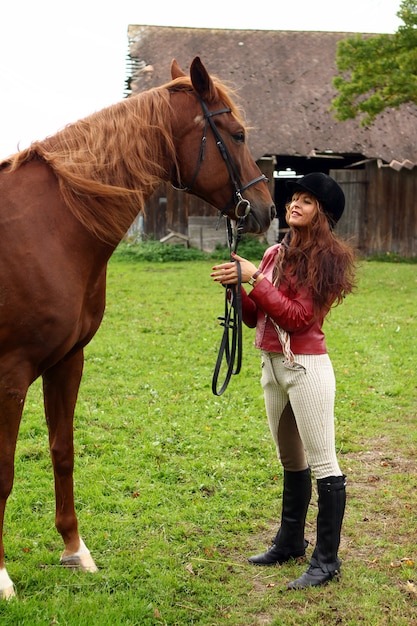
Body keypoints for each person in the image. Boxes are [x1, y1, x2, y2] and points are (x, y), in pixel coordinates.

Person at [211, 172, 356, 589]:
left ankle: (326, 561)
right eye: (294, 198)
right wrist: (237, 287)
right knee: (291, 461)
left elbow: (296, 317)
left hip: (306, 369)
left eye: (307, 201)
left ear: (322, 214)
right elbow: (258, 317)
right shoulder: (276, 253)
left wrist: (254, 278)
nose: (295, 204)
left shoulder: (328, 259)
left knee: (325, 463)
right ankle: (290, 541)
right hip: (271, 366)